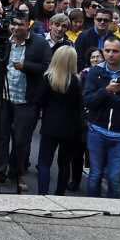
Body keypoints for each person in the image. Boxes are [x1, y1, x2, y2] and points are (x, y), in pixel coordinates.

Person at [82, 36, 120, 199]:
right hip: (97, 130)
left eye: (115, 51)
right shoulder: (96, 71)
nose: (110, 54)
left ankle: (114, 213)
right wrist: (108, 90)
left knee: (114, 178)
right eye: (107, 51)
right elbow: (89, 100)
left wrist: (110, 96)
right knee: (95, 175)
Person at [0, 10, 51, 193]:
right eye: (13, 24)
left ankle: (18, 174)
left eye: (20, 24)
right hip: (5, 97)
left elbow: (47, 67)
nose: (15, 28)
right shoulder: (6, 41)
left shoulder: (39, 43)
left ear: (28, 24)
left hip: (27, 100)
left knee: (21, 140)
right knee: (1, 137)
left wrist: (26, 67)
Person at [36, 46, 83, 196]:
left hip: (50, 124)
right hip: (70, 127)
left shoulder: (48, 78)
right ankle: (60, 194)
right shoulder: (76, 81)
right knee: (64, 164)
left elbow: (39, 100)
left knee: (44, 162)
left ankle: (42, 193)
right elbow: (79, 106)